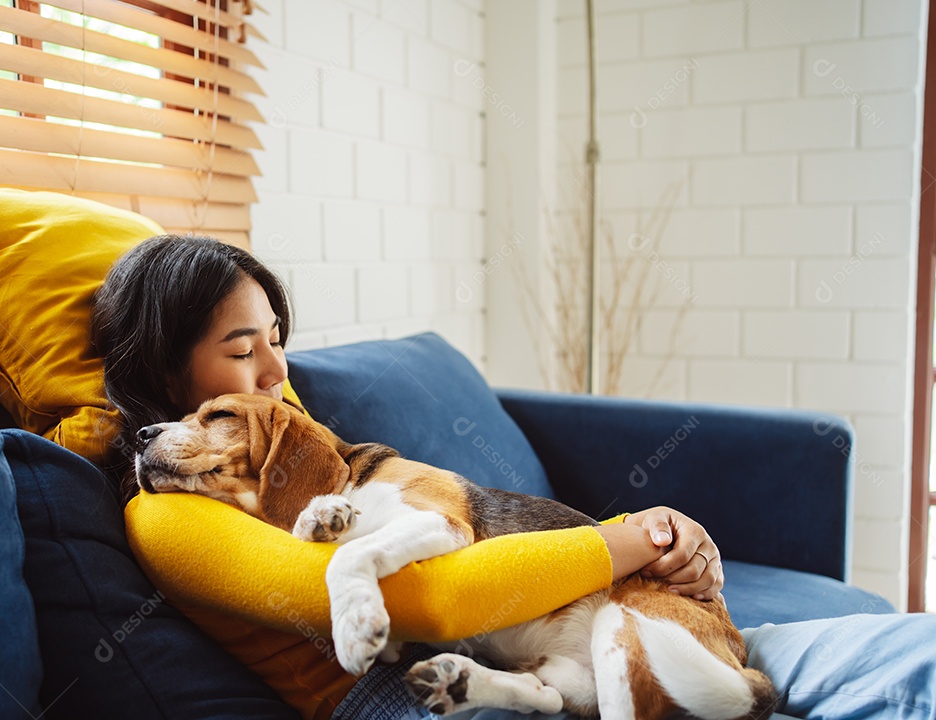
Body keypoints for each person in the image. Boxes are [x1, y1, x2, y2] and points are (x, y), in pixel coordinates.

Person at [92, 234, 935, 720]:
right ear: (166, 375)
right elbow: (437, 602)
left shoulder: (307, 448)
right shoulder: (167, 516)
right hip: (408, 695)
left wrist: (673, 547)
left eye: (277, 337)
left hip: (562, 646)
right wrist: (629, 538)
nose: (278, 369)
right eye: (243, 350)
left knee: (908, 656)